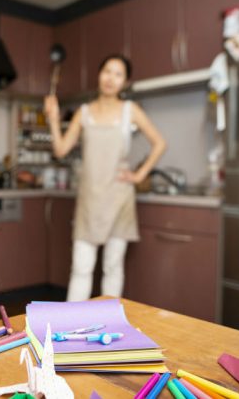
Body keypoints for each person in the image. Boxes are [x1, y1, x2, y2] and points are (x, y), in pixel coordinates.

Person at [44, 54, 166, 301]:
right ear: (99, 75)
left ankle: (109, 325)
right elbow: (61, 149)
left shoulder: (130, 110)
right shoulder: (84, 112)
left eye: (118, 74)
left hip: (119, 198)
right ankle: (70, 328)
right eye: (107, 71)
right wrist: (53, 120)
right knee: (81, 268)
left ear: (125, 81)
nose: (111, 78)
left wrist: (139, 174)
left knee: (112, 267)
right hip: (90, 200)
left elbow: (160, 143)